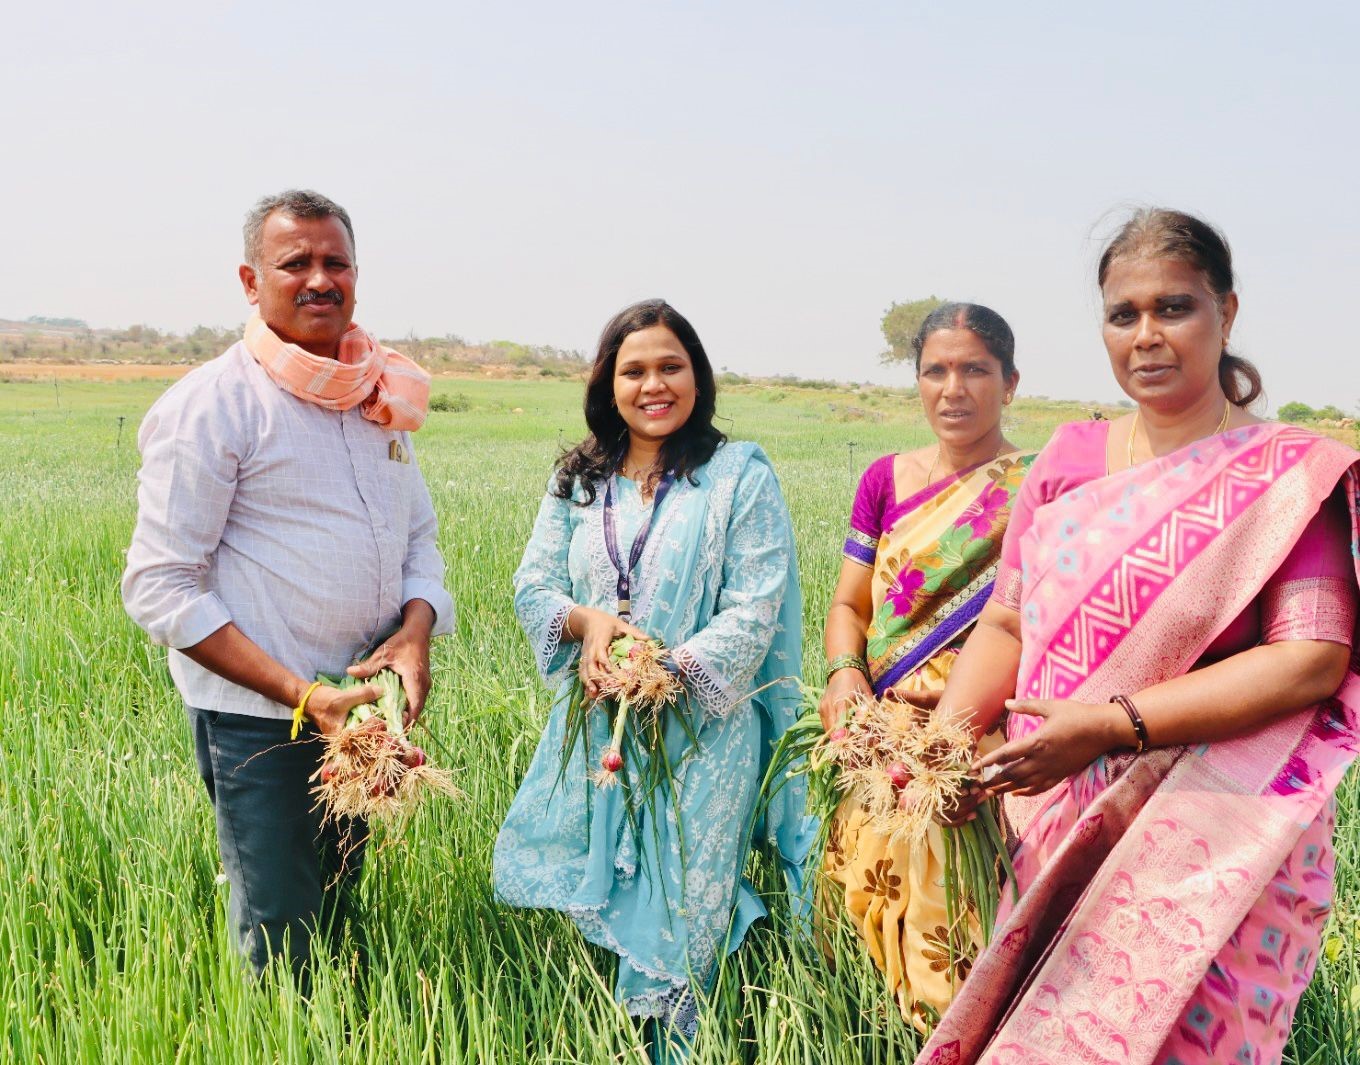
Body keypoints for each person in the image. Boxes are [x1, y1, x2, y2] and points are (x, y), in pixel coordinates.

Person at [917, 209, 1359, 1064]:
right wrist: (942, 749)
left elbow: (1312, 658)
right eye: (1125, 315)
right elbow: (1008, 619)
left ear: (1225, 313)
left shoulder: (1287, 473)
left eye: (1174, 308)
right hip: (1054, 818)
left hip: (1215, 836)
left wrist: (1111, 726)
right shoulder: (1069, 459)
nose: (1147, 336)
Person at [121, 189, 454, 978]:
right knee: (280, 927)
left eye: (334, 262)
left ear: (356, 277)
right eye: (293, 262)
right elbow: (160, 585)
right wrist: (304, 696)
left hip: (364, 714)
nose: (318, 279)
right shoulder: (213, 405)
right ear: (250, 280)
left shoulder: (376, 396)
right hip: (261, 721)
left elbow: (419, 539)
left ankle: (347, 1031)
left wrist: (414, 632)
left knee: (342, 901)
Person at [493, 299, 812, 1058]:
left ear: (697, 376)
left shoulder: (738, 475)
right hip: (601, 730)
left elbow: (756, 604)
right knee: (616, 889)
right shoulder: (579, 479)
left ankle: (684, 1047)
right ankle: (619, 1043)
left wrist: (666, 669)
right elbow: (533, 586)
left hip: (703, 735)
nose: (654, 384)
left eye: (671, 366)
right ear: (609, 384)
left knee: (686, 909)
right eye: (634, 370)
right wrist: (590, 625)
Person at [817, 303, 1034, 1025]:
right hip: (880, 742)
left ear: (1010, 382)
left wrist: (985, 742)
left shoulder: (1037, 490)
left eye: (975, 369)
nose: (954, 388)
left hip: (972, 751)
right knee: (858, 933)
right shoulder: (885, 480)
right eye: (935, 370)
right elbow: (849, 603)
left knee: (957, 956)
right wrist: (845, 674)